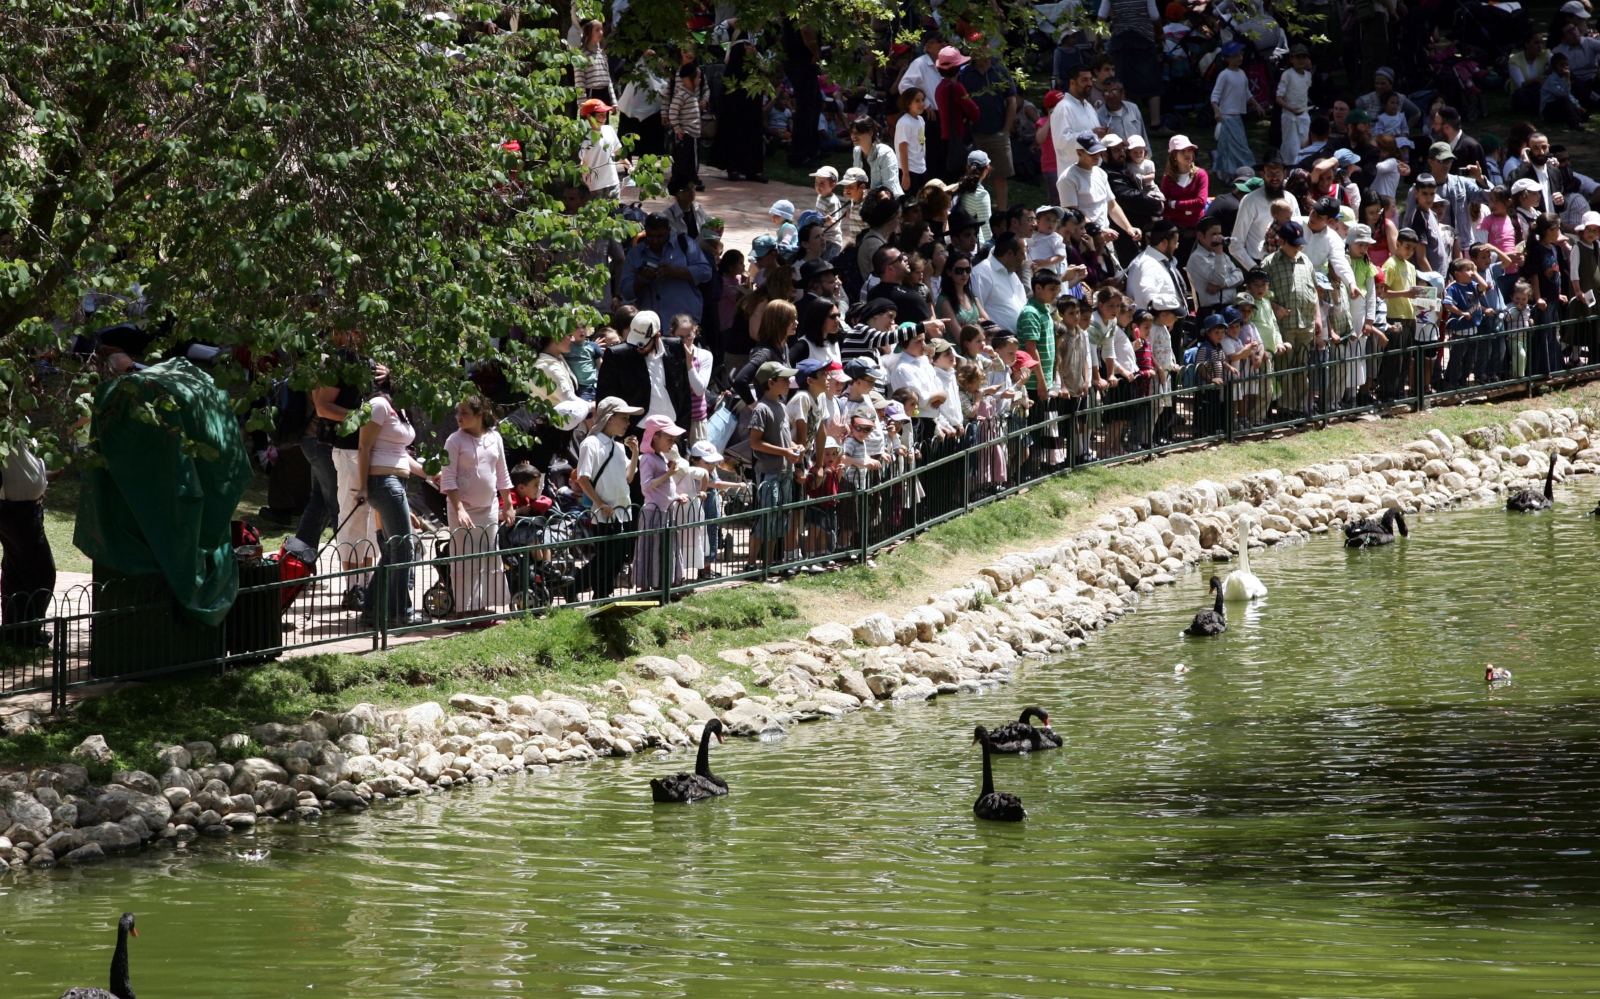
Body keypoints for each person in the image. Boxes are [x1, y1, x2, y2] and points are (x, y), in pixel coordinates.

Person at [354, 378, 424, 626]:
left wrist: (428, 474)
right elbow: (364, 447)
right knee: (404, 547)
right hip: (383, 483)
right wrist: (363, 486)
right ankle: (399, 611)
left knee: (394, 549)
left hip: (396, 481)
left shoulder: (400, 408)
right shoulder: (378, 405)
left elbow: (401, 453)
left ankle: (373, 609)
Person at [440, 395, 514, 623]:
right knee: (464, 558)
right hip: (463, 509)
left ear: (479, 415)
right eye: (458, 412)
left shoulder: (494, 438)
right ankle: (463, 612)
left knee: (488, 556)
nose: (459, 417)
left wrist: (508, 504)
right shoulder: (454, 441)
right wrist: (459, 509)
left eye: (465, 413)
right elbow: (449, 479)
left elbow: (501, 473)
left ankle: (481, 609)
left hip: (489, 507)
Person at [574, 397, 641, 599]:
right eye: (624, 418)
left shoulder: (619, 447)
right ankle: (574, 587)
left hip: (622, 510)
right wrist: (600, 503)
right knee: (606, 558)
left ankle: (602, 596)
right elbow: (582, 478)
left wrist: (635, 453)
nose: (628, 423)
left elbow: (628, 478)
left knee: (618, 557)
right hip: (605, 512)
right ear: (610, 418)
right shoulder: (591, 443)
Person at [748, 359, 805, 568]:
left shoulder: (781, 405)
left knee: (780, 521)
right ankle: (752, 564)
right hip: (768, 473)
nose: (789, 381)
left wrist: (795, 446)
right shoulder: (762, 408)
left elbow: (783, 438)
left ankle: (768, 564)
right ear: (771, 382)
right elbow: (755, 443)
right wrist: (785, 451)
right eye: (784, 379)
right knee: (765, 520)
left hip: (785, 471)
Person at [1262, 221, 1322, 415]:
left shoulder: (1306, 261)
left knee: (1302, 367)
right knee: (1285, 368)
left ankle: (1303, 406)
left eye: (1300, 244)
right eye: (1294, 244)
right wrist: (1275, 306)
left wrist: (1318, 319)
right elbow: (1260, 296)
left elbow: (1314, 294)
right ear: (1282, 242)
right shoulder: (1269, 263)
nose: (1298, 248)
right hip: (1284, 325)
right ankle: (1287, 408)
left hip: (1306, 323)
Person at [596, 310, 692, 430]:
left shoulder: (675, 347)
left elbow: (684, 391)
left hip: (671, 432)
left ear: (657, 336)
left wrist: (683, 431)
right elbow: (605, 399)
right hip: (636, 432)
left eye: (642, 343)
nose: (637, 346)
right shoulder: (618, 355)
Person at [0, 439, 52, 647]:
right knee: (42, 573)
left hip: (25, 509)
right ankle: (26, 634)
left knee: (16, 571)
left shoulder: (15, 422)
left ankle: (15, 632)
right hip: (15, 511)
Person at [621, 212, 714, 322]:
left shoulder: (686, 244)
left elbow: (706, 271)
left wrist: (675, 272)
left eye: (660, 236)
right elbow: (626, 291)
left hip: (684, 321)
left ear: (669, 230)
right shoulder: (635, 253)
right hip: (651, 323)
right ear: (645, 230)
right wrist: (642, 280)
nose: (655, 241)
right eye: (650, 236)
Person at [960, 49, 1020, 210]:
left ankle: (1001, 213)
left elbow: (1012, 101)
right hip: (974, 135)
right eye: (974, 47)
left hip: (998, 133)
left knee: (1000, 177)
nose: (978, 51)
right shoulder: (964, 73)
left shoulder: (1000, 71)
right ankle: (980, 211)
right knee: (977, 177)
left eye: (982, 46)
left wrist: (1006, 129)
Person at [1059, 131, 1142, 242]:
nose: (1097, 156)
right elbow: (1073, 214)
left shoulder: (1101, 173)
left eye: (1098, 152)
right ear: (1079, 153)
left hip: (1105, 236)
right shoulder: (1068, 178)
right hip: (1084, 239)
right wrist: (1099, 231)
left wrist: (1128, 228)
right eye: (1092, 153)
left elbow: (1112, 205)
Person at [1099, 0, 1165, 131]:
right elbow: (1153, 15)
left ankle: (1128, 122)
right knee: (1151, 79)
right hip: (1143, 38)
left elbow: (1101, 15)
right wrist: (1160, 32)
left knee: (1124, 81)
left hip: (1120, 40)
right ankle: (1155, 123)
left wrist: (1097, 39)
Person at [716, 25, 767, 183]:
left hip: (753, 89)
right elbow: (712, 37)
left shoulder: (766, 33)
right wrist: (727, 22)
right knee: (733, 126)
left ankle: (753, 169)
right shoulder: (735, 28)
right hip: (734, 89)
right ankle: (733, 167)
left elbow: (767, 65)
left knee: (753, 127)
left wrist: (755, 54)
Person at [1379, 227, 1424, 400]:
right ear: (1397, 244)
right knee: (1393, 357)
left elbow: (1411, 292)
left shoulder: (1411, 267)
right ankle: (1387, 393)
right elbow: (1382, 292)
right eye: (1407, 247)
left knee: (1406, 356)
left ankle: (1399, 391)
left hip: (1409, 316)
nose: (1410, 251)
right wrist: (1405, 294)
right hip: (1394, 316)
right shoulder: (1390, 265)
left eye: (1413, 248)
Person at [1211, 42, 1263, 179]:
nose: (1239, 57)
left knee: (1231, 145)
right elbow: (1215, 95)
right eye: (1235, 55)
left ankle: (1228, 169)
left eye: (1240, 54)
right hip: (1227, 116)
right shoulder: (1225, 75)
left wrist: (1256, 104)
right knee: (1237, 145)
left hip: (1237, 117)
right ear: (1227, 58)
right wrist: (1217, 110)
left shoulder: (1242, 74)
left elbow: (1246, 92)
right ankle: (1240, 169)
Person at [971, 231, 1030, 333]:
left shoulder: (1011, 272)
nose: (1025, 258)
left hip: (1021, 341)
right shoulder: (981, 273)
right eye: (1022, 253)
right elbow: (977, 313)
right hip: (999, 344)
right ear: (1009, 254)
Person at [1050, 65, 1102, 178]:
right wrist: (1092, 134)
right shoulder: (1063, 108)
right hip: (1073, 177)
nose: (1089, 83)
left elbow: (1096, 137)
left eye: (1090, 79)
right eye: (1084, 80)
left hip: (1094, 174)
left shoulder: (1088, 106)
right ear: (1072, 83)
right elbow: (1061, 141)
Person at [1126, 219, 1187, 312]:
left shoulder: (1164, 261)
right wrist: (1172, 306)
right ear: (1164, 243)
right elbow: (1148, 298)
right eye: (1174, 242)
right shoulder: (1149, 264)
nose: (1176, 246)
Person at [1190, 216, 1244, 310]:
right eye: (1214, 234)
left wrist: (1224, 284)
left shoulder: (1223, 255)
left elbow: (1239, 276)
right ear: (1200, 236)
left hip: (1231, 306)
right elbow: (1218, 280)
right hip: (1213, 309)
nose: (1219, 237)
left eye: (1220, 233)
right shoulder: (1197, 258)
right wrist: (1219, 253)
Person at [664, 63, 704, 190]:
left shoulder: (692, 95)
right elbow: (673, 112)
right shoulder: (681, 95)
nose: (700, 80)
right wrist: (678, 129)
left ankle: (688, 179)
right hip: (687, 133)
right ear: (688, 79)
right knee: (684, 159)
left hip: (693, 133)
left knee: (690, 158)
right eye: (698, 77)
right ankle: (690, 179)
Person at [579, 98, 625, 200]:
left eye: (605, 115)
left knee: (616, 214)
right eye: (600, 115)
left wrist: (630, 167)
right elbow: (580, 162)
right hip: (594, 187)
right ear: (589, 116)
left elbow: (618, 151)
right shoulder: (584, 137)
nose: (604, 118)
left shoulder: (609, 130)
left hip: (613, 183)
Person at [1277, 44, 1314, 167]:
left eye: (1304, 57)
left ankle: (1304, 168)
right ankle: (1289, 169)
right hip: (1289, 116)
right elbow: (1278, 98)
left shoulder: (1308, 75)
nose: (1301, 60)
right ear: (1292, 59)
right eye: (1298, 57)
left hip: (1304, 114)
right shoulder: (1287, 74)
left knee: (1305, 142)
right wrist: (1291, 109)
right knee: (1291, 146)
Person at [938, 250, 989, 329]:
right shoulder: (944, 301)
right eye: (959, 271)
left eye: (967, 270)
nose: (964, 274)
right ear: (949, 272)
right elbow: (960, 337)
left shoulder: (971, 295)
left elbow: (988, 325)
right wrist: (978, 325)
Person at [1097, 77, 1149, 147]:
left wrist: (1148, 154)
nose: (1110, 95)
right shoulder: (1099, 115)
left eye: (1114, 91)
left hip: (1137, 155)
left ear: (1122, 93)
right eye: (1106, 92)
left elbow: (1143, 135)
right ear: (1103, 95)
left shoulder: (1133, 108)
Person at [895, 88, 929, 195]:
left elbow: (921, 144)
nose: (921, 103)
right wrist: (905, 175)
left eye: (922, 100)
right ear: (908, 103)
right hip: (909, 170)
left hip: (921, 168)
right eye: (917, 100)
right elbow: (902, 149)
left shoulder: (920, 120)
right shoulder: (904, 122)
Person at [575, 19, 616, 106]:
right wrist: (582, 104)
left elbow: (608, 79)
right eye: (597, 30)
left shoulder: (602, 53)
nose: (601, 32)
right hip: (591, 95)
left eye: (601, 29)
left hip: (605, 95)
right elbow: (579, 80)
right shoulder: (581, 54)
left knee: (604, 120)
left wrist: (613, 101)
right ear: (588, 32)